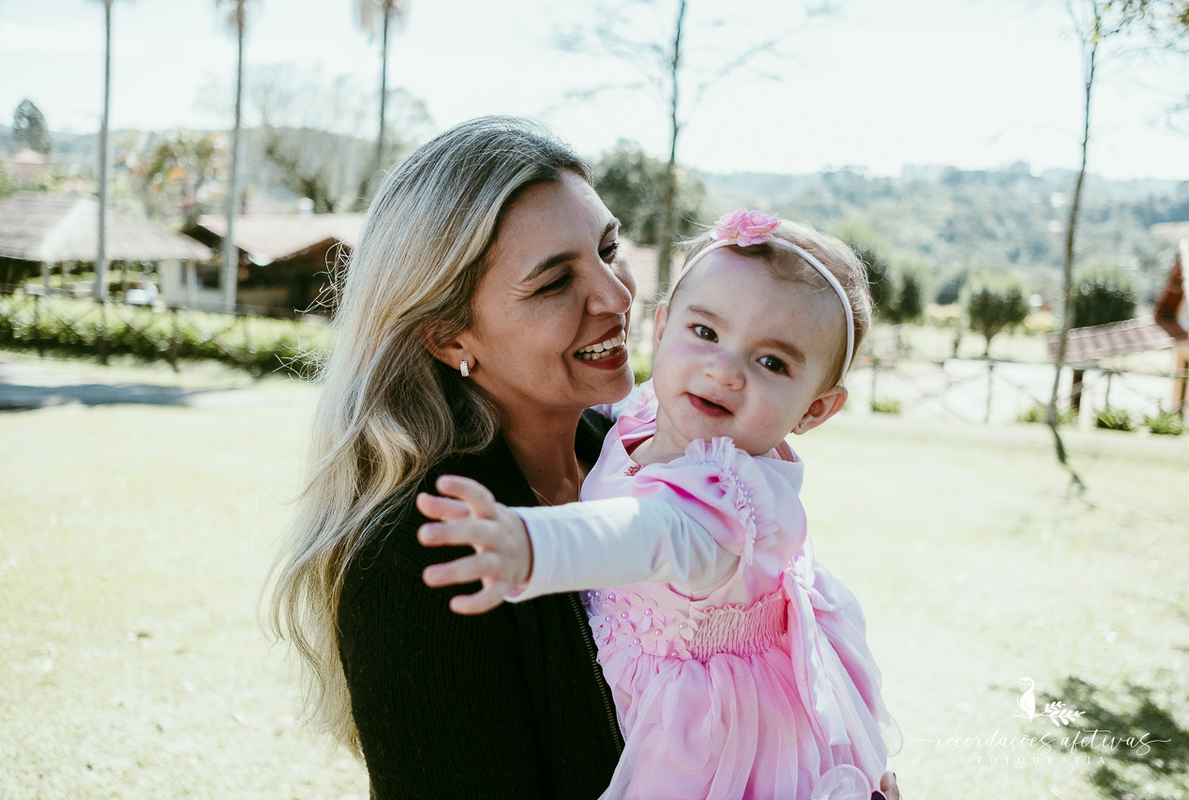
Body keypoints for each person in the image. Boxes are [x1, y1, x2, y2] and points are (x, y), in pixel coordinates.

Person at [417, 210, 899, 799]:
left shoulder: (728, 506)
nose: (723, 370)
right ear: (664, 326)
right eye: (705, 333)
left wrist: (532, 542)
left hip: (703, 738)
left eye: (771, 362)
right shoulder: (645, 416)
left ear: (815, 410)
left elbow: (647, 532)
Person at [265, 116, 636, 799]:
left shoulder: (642, 465)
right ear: (449, 336)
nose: (616, 297)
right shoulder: (425, 551)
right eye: (555, 282)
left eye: (609, 250)